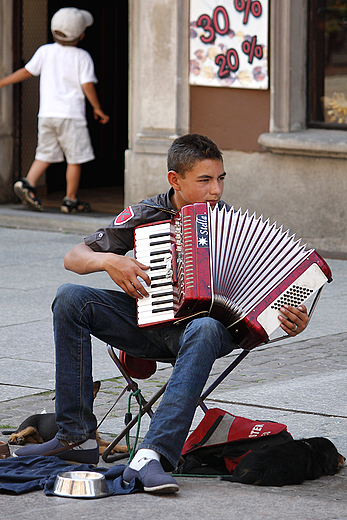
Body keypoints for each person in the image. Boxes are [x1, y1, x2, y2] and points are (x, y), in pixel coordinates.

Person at [15, 134, 309, 494]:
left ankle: (152, 454)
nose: (216, 190)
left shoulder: (231, 223)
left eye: (220, 179)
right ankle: (76, 437)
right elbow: (73, 258)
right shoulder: (146, 214)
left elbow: (267, 301)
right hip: (148, 325)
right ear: (175, 180)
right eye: (204, 180)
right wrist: (109, 260)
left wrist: (290, 320)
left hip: (204, 335)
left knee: (203, 326)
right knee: (70, 298)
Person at [0, 7, 110, 213]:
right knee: (75, 158)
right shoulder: (82, 56)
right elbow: (87, 85)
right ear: (82, 34)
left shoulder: (45, 51)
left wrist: (2, 82)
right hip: (71, 116)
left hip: (47, 114)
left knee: (45, 153)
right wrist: (98, 109)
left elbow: (27, 71)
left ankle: (27, 182)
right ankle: (70, 199)